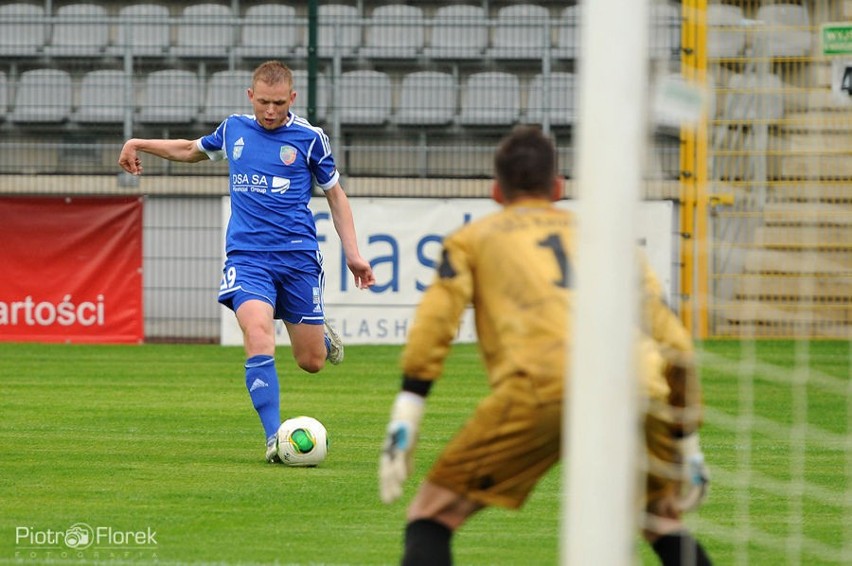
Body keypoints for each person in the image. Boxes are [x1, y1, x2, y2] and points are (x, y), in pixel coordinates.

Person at [378, 125, 712, 565]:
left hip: (543, 384)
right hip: (635, 385)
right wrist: (686, 440)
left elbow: (435, 322)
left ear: (497, 192)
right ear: (558, 187)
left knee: (432, 513)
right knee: (660, 517)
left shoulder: (473, 238)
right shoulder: (608, 241)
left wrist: (409, 408)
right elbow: (673, 342)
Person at [119, 60, 375, 463]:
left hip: (297, 259)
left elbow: (336, 195)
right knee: (257, 334)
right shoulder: (234, 129)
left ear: (291, 99)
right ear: (250, 97)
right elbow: (190, 150)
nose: (269, 112)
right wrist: (138, 143)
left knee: (311, 363)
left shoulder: (311, 139)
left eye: (277, 103)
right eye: (262, 103)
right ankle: (274, 438)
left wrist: (354, 254)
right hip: (248, 257)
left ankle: (318, 335)